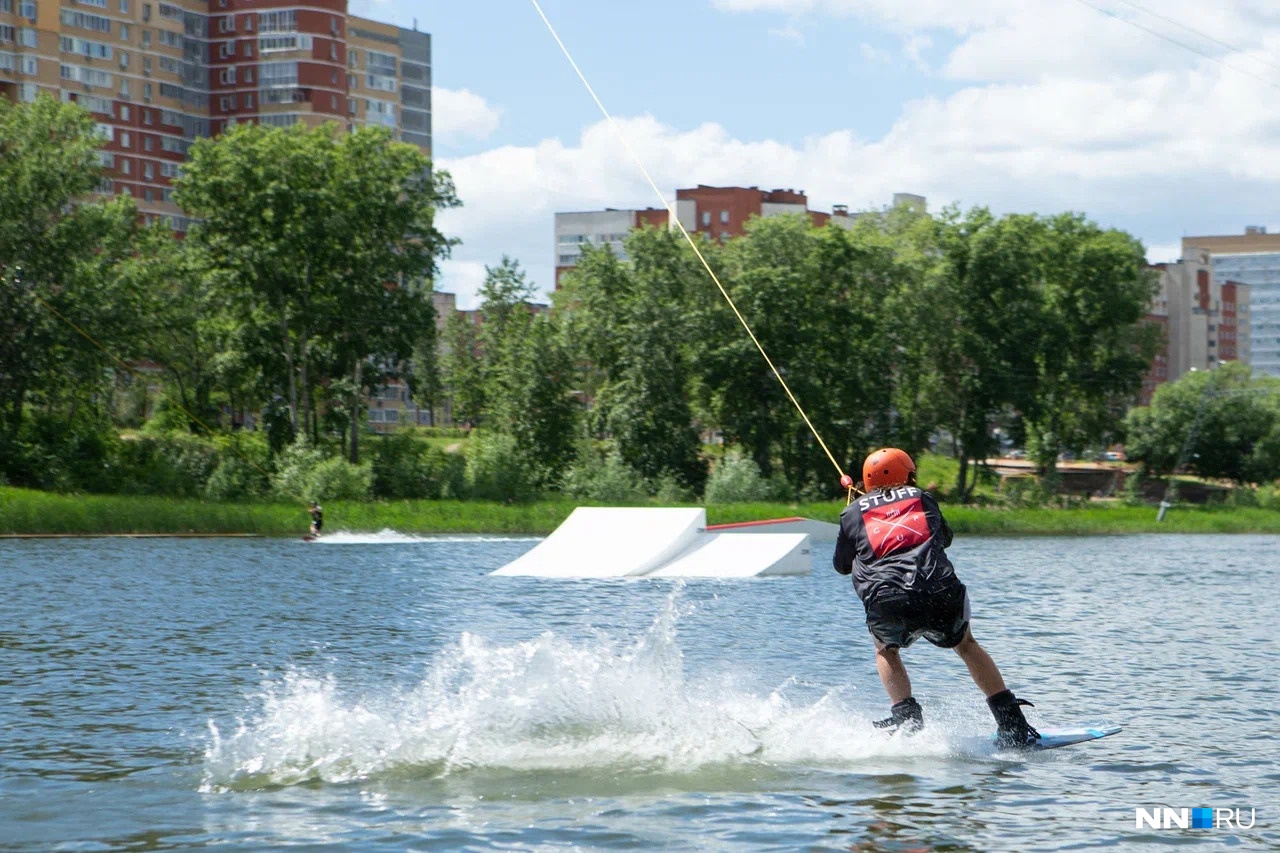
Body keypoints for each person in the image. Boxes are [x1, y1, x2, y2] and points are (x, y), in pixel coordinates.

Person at [833, 448, 1040, 748]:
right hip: (939, 593)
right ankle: (1013, 726)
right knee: (966, 645)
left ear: (866, 482)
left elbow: (842, 566)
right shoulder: (922, 498)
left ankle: (908, 723)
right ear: (909, 476)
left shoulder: (852, 513)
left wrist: (856, 517)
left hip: (888, 602)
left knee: (886, 650)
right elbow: (945, 538)